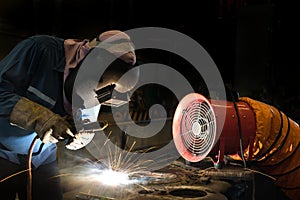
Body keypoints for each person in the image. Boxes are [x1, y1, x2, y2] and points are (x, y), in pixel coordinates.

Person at [0, 30, 136, 200]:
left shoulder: (102, 86)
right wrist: (39, 117)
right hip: (3, 150)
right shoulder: (40, 49)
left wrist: (82, 134)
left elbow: (88, 121)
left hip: (43, 157)